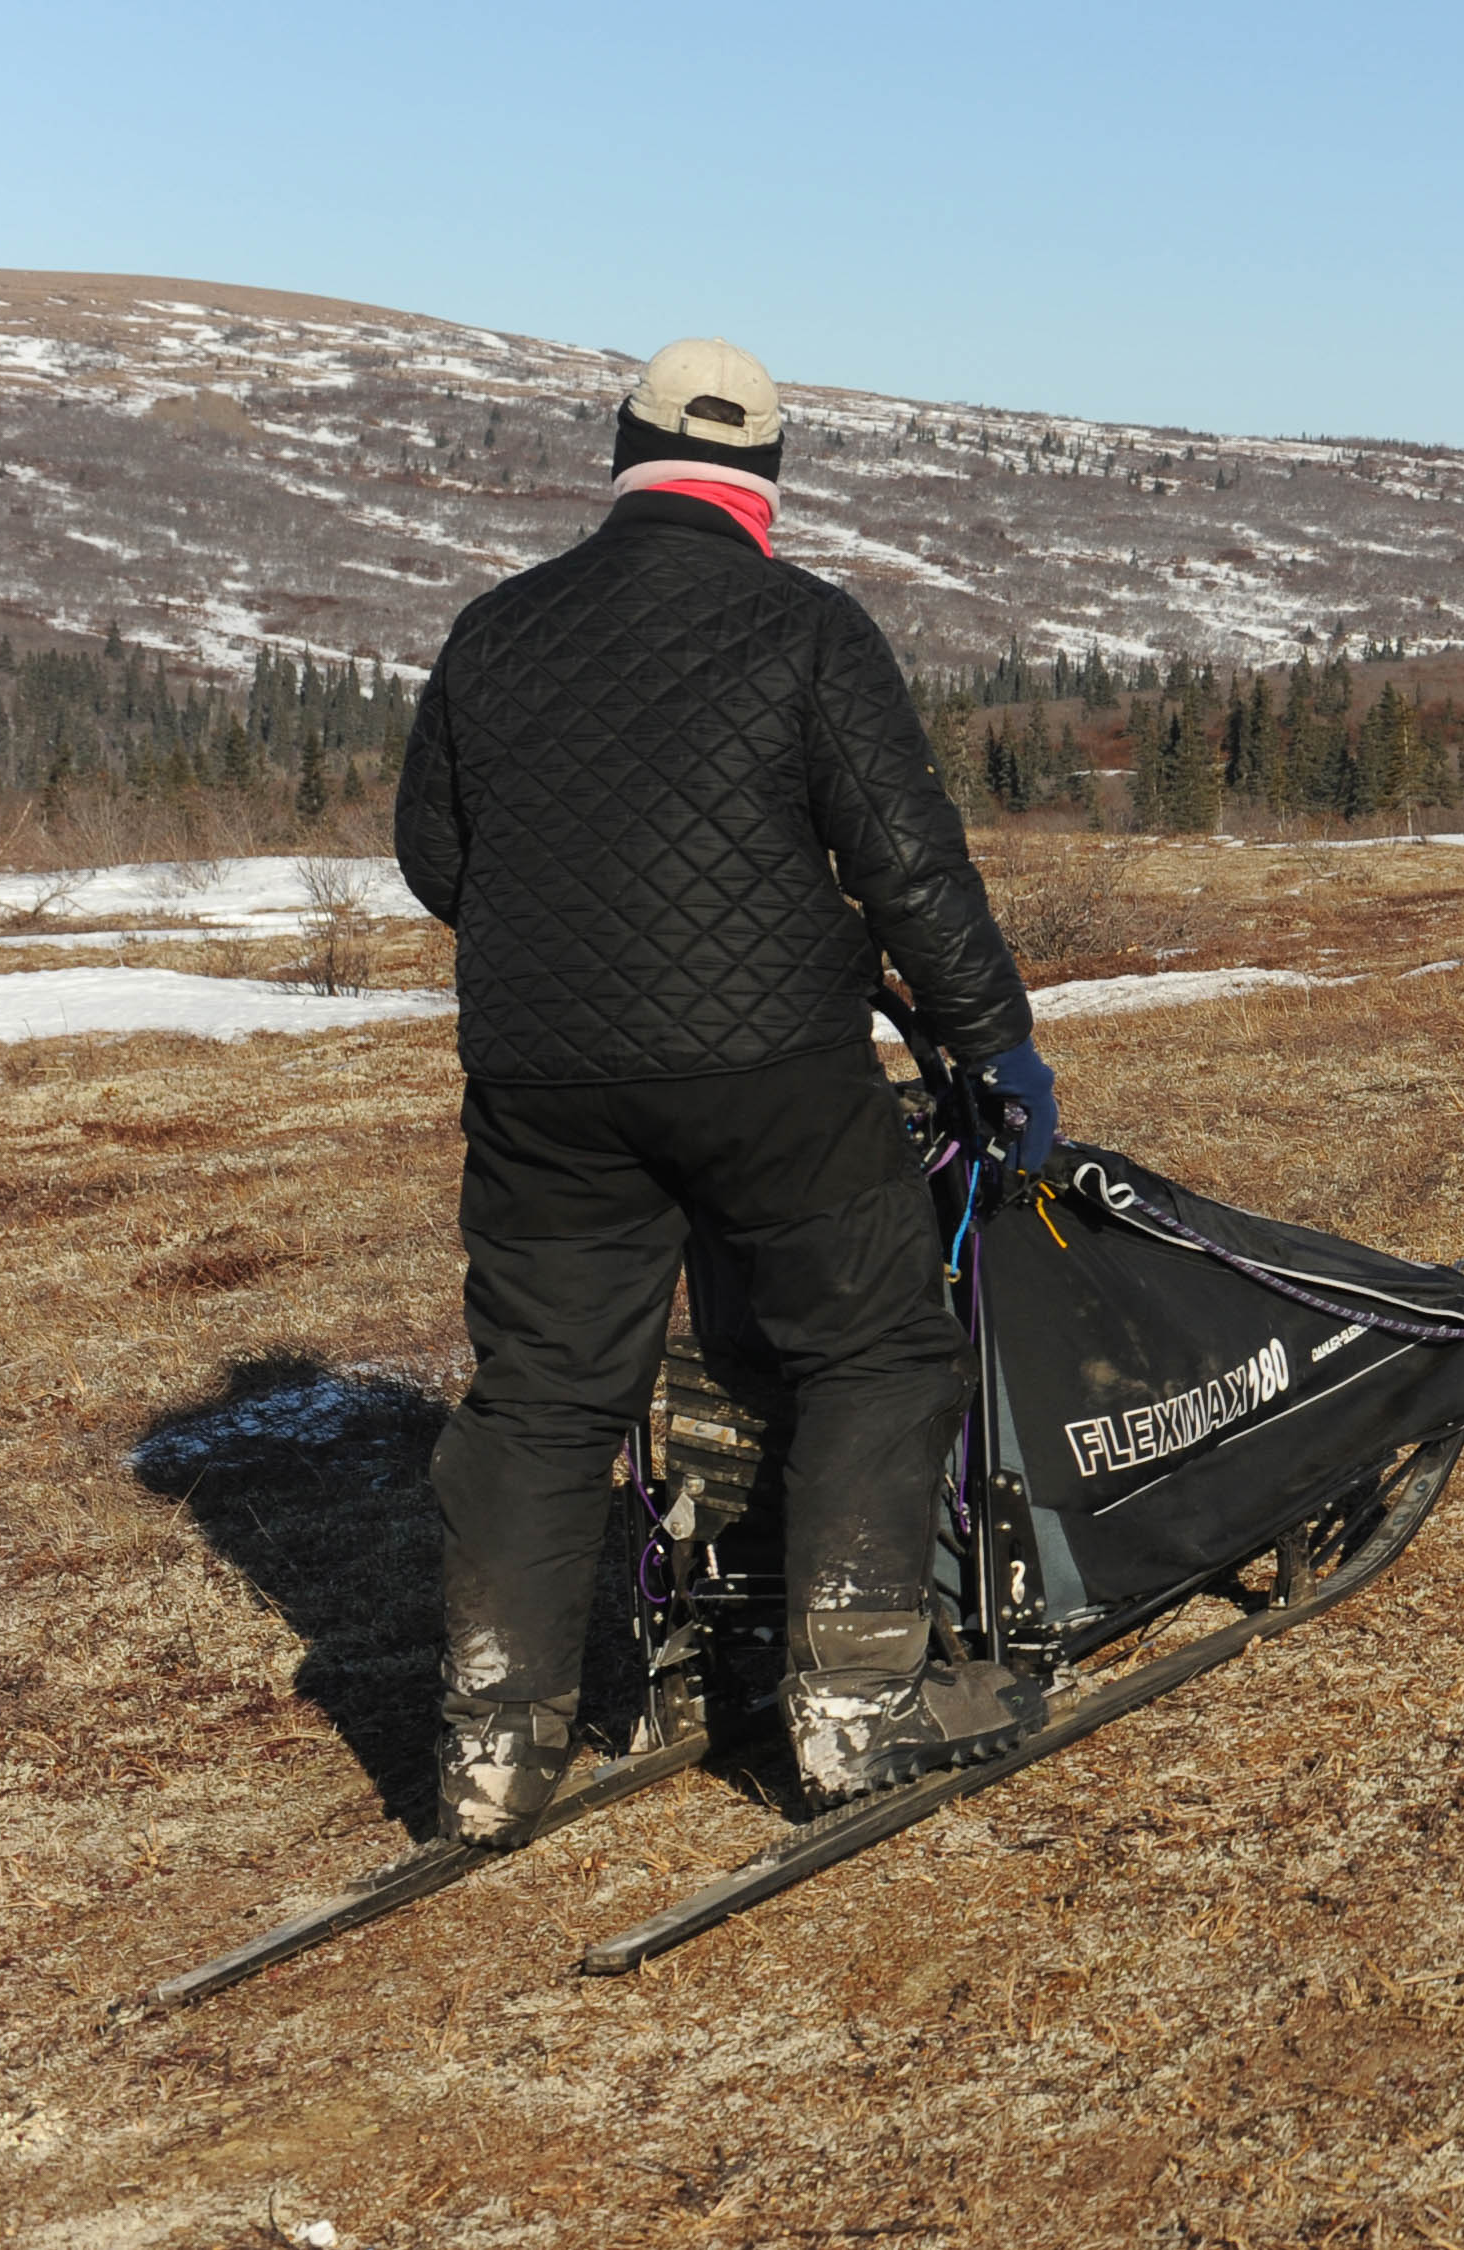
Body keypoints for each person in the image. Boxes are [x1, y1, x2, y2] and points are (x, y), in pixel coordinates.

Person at [395, 337, 1063, 1842]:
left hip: (540, 1086)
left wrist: (573, 955)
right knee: (879, 1346)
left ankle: (494, 1749)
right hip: (777, 1074)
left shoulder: (495, 633)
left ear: (619, 454)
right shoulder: (808, 630)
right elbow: (908, 864)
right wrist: (994, 1043)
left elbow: (439, 859)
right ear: (764, 480)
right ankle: (849, 1709)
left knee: (545, 1400)